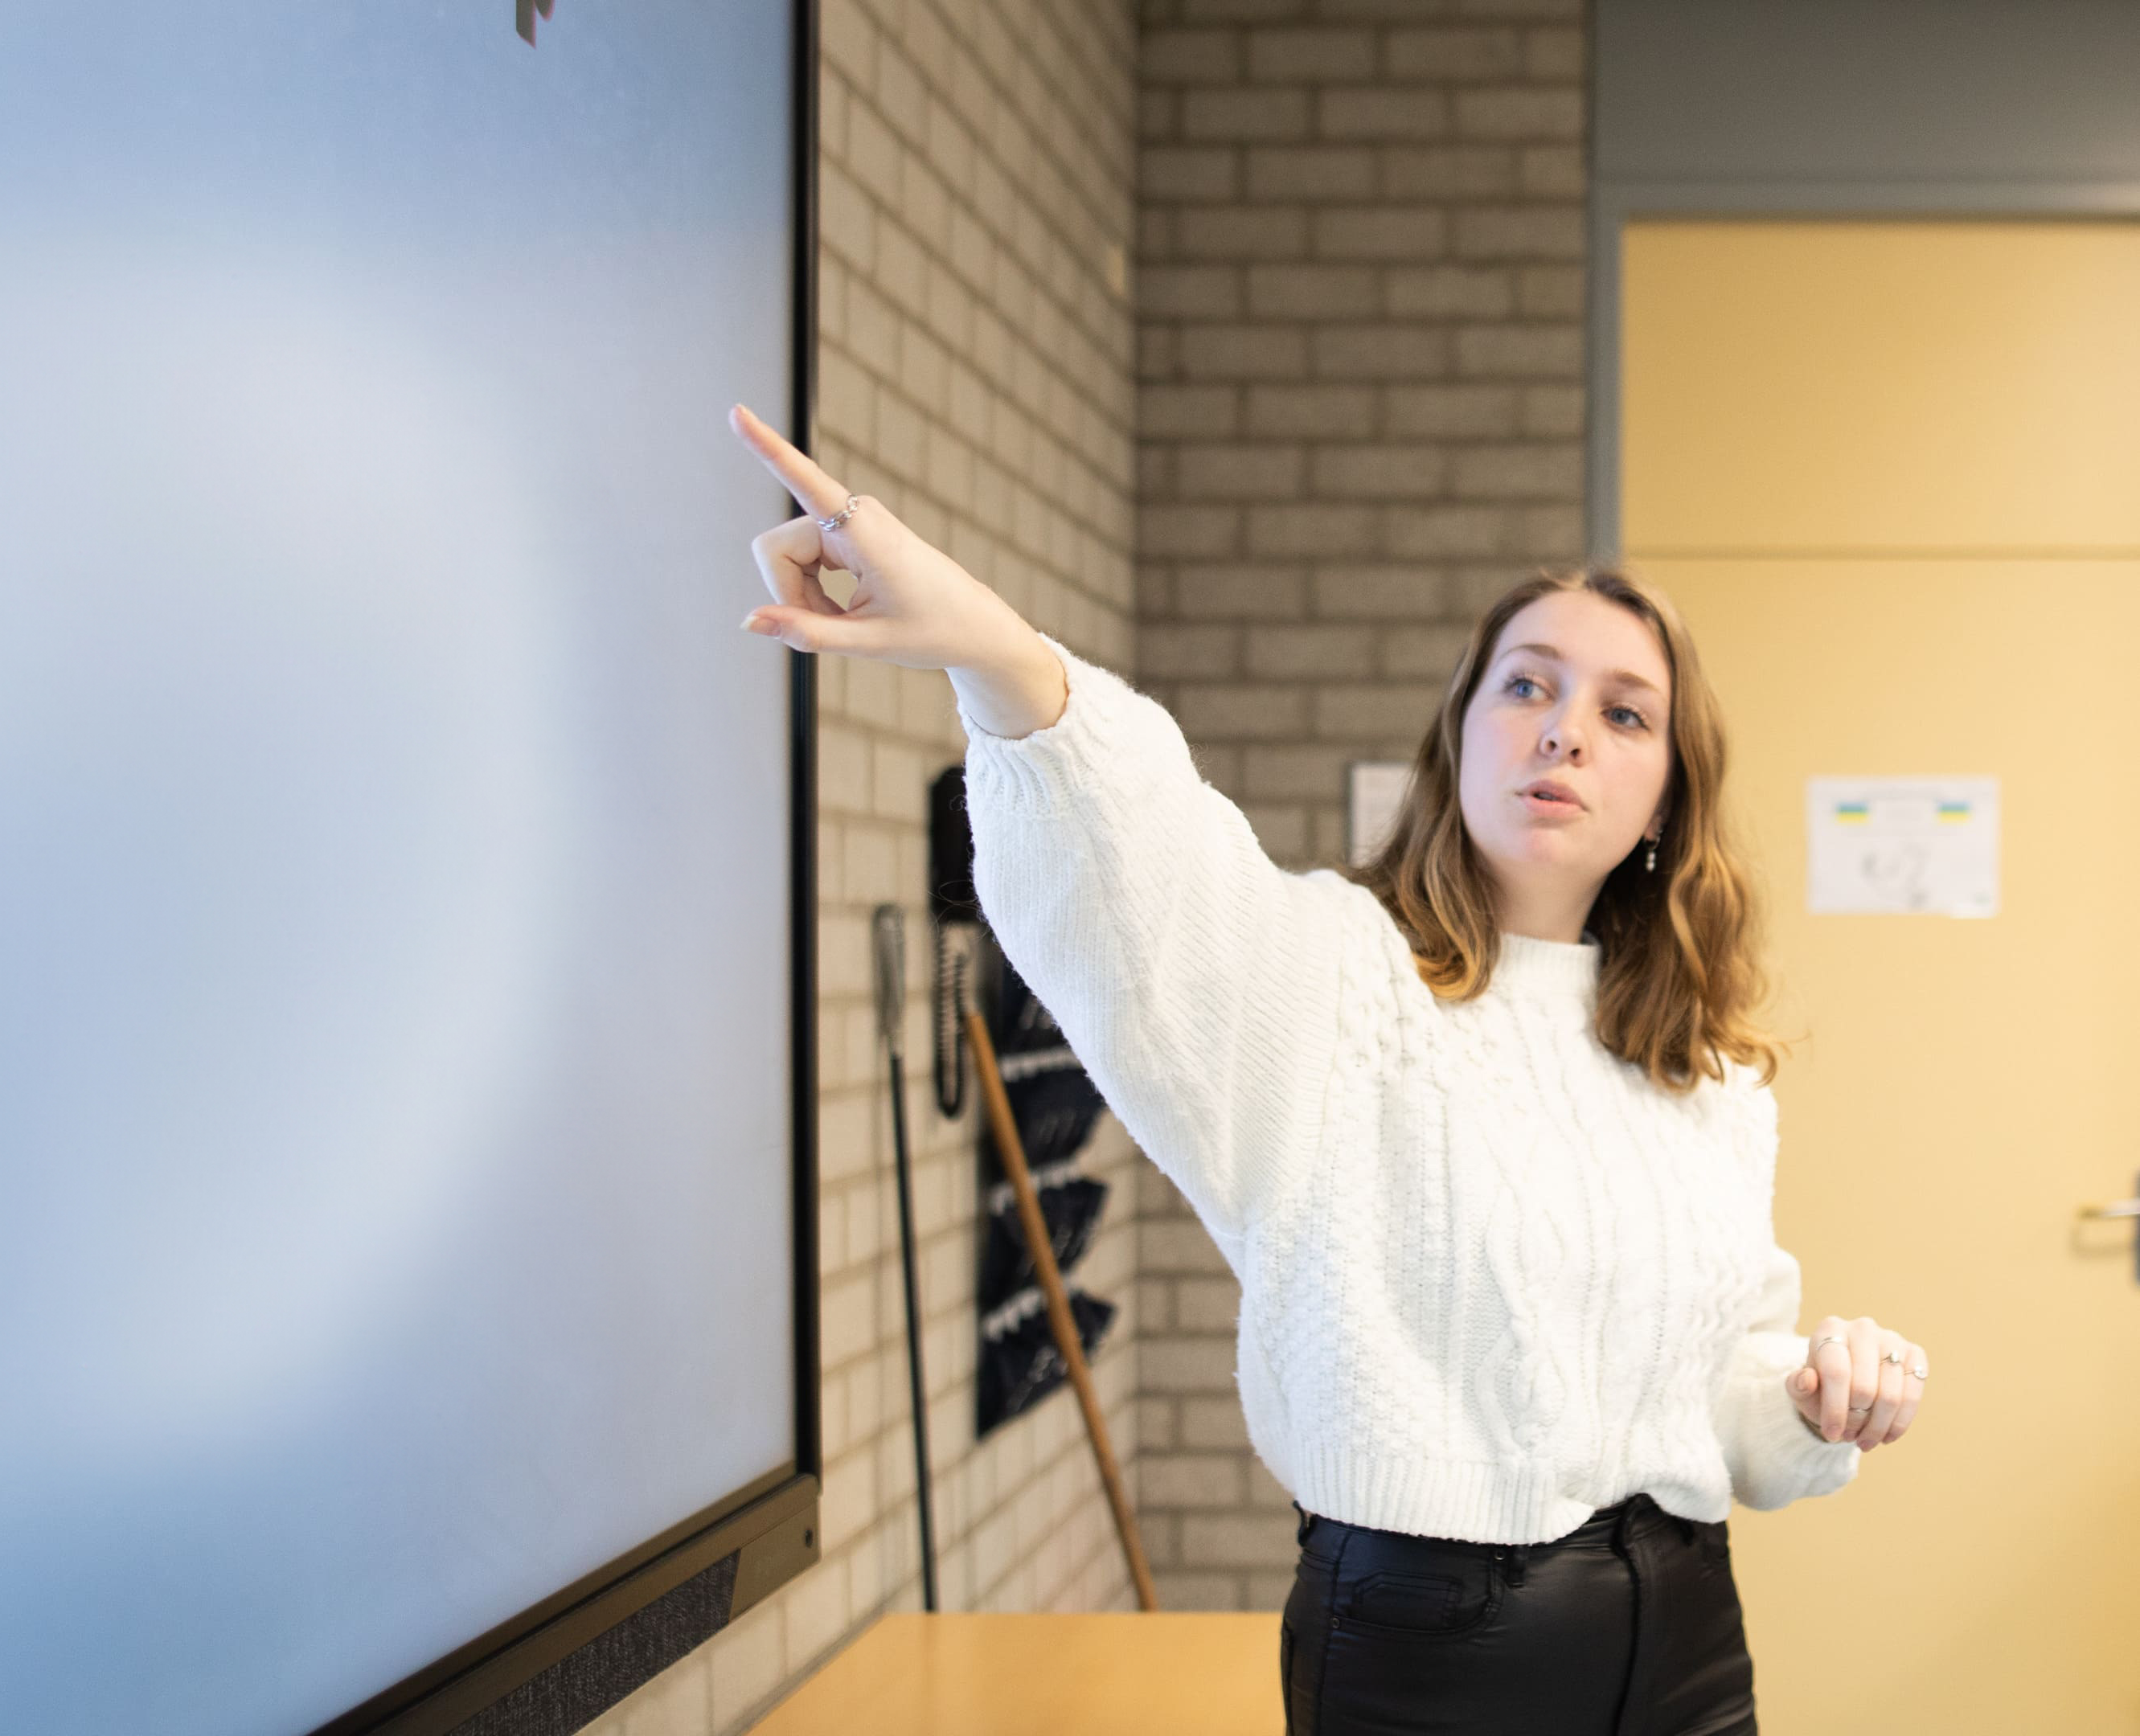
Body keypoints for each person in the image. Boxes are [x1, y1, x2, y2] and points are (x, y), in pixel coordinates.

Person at [727, 402, 1931, 1735]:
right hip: (1431, 1663)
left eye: (1624, 712)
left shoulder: (1704, 1071)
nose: (1565, 729)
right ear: (1461, 736)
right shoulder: (1331, 981)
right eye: (1525, 684)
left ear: (1665, 801)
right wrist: (994, 648)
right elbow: (1138, 860)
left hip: (1692, 1645)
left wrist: (1822, 1396)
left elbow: (1725, 1404)